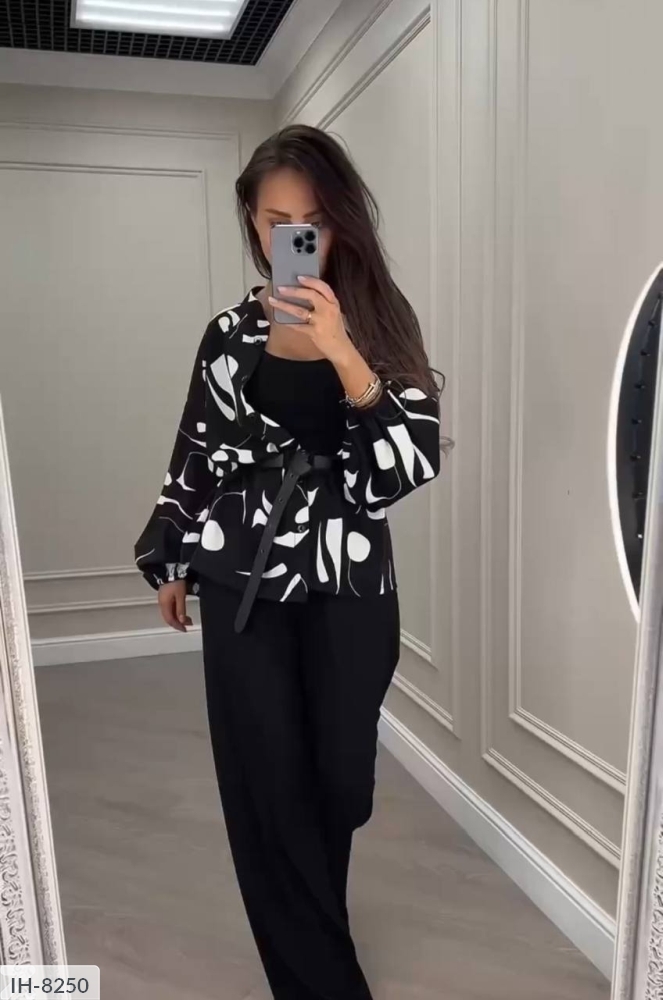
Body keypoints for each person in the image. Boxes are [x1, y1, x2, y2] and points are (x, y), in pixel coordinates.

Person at [134, 124, 443, 1000]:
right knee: (267, 788)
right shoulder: (228, 334)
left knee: (337, 784)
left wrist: (342, 352)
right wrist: (171, 554)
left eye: (314, 221)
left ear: (340, 222)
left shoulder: (379, 324)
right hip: (241, 577)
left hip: (350, 582)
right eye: (277, 222)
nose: (295, 238)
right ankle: (320, 981)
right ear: (251, 219)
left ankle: (317, 931)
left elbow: (404, 468)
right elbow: (196, 451)